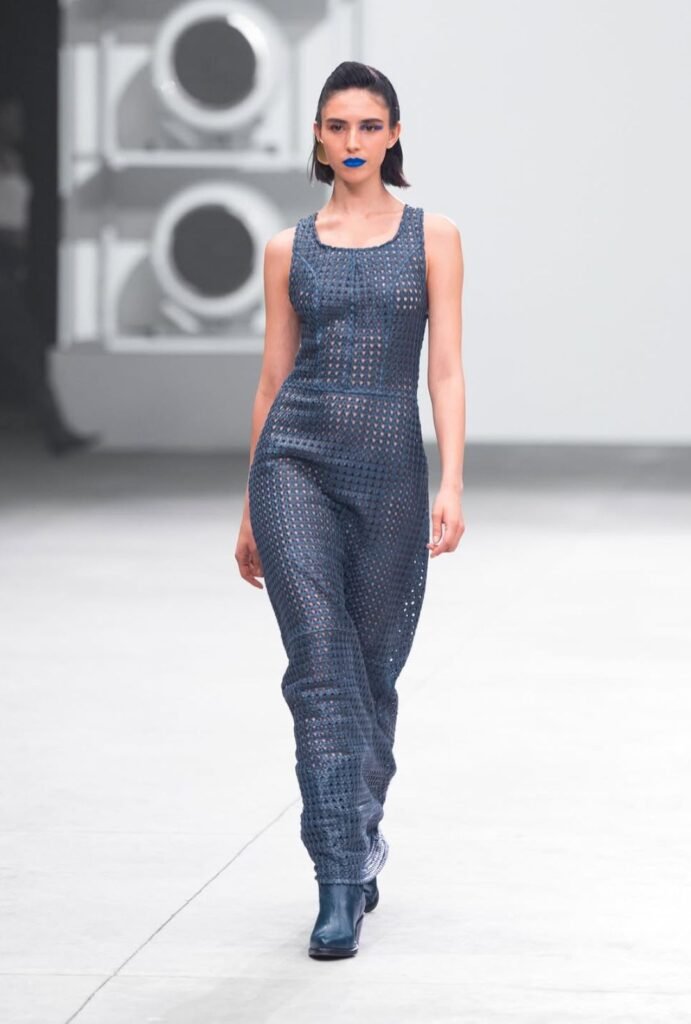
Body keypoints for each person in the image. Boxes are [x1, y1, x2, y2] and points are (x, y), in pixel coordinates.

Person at [235, 61, 465, 959]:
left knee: (370, 673)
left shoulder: (433, 237)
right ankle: (336, 878)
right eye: (337, 126)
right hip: (293, 463)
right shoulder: (286, 248)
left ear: (393, 135)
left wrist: (451, 481)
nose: (353, 141)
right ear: (318, 138)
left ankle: (360, 836)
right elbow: (271, 379)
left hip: (390, 472)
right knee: (322, 668)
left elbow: (444, 368)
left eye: (369, 126)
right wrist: (249, 505)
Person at [0, 96, 99, 455]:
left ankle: (57, 433)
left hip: (11, 263)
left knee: (26, 351)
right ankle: (57, 433)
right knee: (26, 349)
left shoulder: (13, 159)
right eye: (10, 118)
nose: (17, 125)